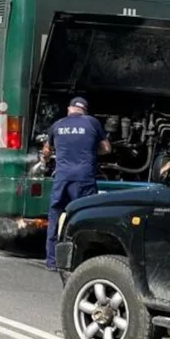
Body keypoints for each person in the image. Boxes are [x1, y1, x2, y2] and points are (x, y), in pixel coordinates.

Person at [41, 96, 111, 271]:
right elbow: (107, 149)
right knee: (84, 217)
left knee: (55, 217)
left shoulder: (57, 125)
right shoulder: (92, 122)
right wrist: (90, 150)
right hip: (84, 179)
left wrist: (47, 157)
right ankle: (80, 260)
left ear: (69, 109)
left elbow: (47, 150)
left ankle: (51, 261)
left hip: (62, 178)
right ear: (84, 110)